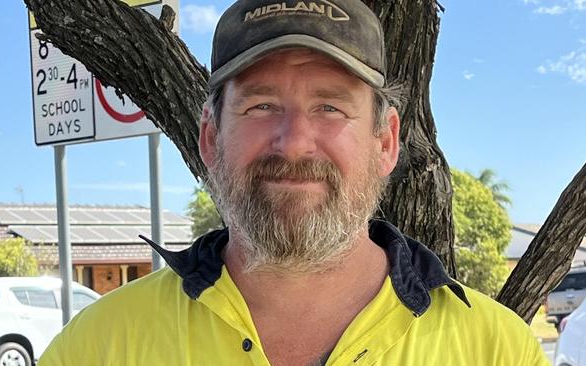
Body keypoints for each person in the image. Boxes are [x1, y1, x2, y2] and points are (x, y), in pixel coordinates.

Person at [40, 0, 550, 365]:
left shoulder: (496, 350)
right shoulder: (98, 348)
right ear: (211, 138)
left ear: (386, 142)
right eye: (261, 106)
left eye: (330, 107)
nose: (294, 143)